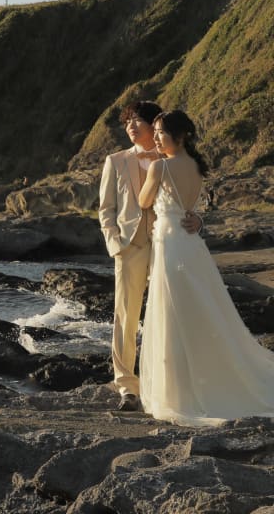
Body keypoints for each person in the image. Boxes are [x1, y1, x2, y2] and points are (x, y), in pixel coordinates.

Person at [137, 110, 274, 426]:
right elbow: (193, 209)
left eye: (160, 132)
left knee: (174, 312)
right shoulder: (198, 166)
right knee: (203, 309)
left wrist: (146, 176)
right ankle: (206, 377)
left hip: (171, 247)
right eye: (154, 132)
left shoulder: (159, 167)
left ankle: (179, 391)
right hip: (192, 245)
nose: (155, 138)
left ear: (181, 136)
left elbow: (144, 202)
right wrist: (197, 220)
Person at [98, 100, 201, 411]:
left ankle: (166, 381)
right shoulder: (115, 161)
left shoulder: (172, 158)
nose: (131, 127)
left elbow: (193, 198)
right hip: (129, 247)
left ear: (153, 125)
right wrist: (114, 243)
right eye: (127, 122)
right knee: (126, 316)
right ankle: (128, 387)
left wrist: (200, 219)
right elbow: (106, 209)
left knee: (167, 313)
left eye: (137, 122)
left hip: (167, 245)